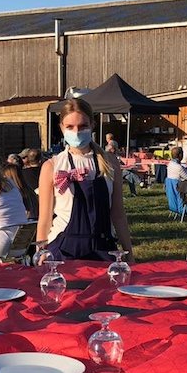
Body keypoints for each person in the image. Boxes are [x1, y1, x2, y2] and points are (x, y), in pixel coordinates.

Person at [36, 97, 133, 262]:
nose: (76, 132)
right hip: (64, 248)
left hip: (103, 247)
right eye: (70, 127)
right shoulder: (52, 166)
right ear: (61, 128)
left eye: (82, 126)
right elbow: (45, 218)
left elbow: (117, 214)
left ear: (92, 125)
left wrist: (129, 254)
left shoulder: (110, 162)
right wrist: (40, 252)